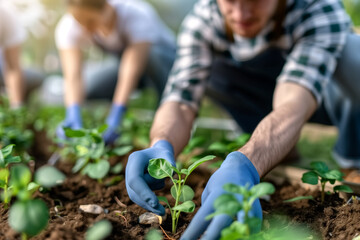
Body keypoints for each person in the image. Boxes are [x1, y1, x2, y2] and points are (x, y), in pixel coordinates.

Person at [125, 0, 360, 239]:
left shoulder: (317, 7)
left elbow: (293, 104)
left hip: (322, 96)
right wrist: (162, 143)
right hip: (268, 95)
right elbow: (181, 98)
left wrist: (246, 162)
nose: (240, 13)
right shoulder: (204, 18)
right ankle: (279, 151)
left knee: (353, 51)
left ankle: (353, 158)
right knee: (213, 70)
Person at [55, 0, 176, 144]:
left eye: (90, 22)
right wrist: (72, 110)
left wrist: (117, 111)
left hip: (166, 64)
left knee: (152, 55)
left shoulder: (136, 13)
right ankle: (99, 119)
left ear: (107, 6)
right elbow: (73, 75)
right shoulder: (69, 26)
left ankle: (167, 111)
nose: (85, 29)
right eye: (80, 22)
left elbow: (131, 70)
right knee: (90, 88)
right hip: (127, 67)